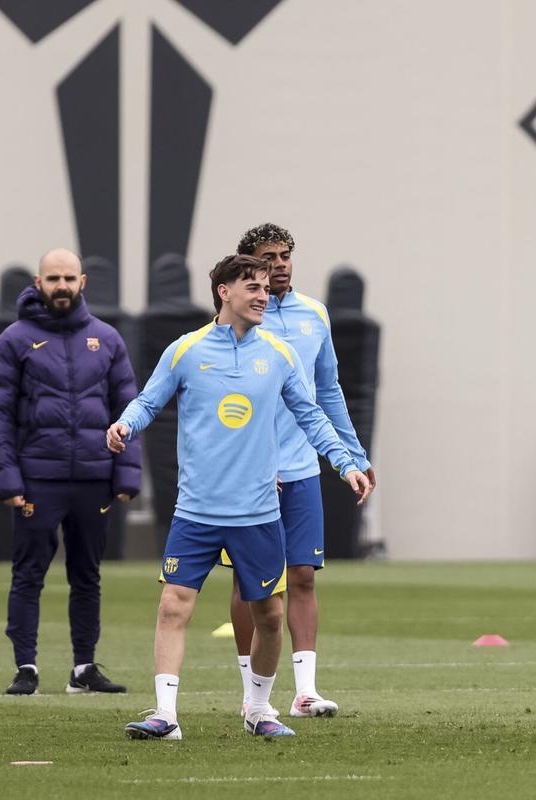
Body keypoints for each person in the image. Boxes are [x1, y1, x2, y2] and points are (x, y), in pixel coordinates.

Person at [108, 254, 372, 740]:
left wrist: (346, 463)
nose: (262, 295)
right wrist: (125, 424)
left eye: (266, 289)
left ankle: (257, 709)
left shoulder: (278, 354)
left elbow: (312, 416)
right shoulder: (186, 350)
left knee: (270, 615)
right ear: (223, 292)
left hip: (258, 514)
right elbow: (149, 400)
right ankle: (165, 715)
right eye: (252, 286)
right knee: (173, 604)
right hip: (196, 511)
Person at [222, 223, 374, 719]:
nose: (281, 264)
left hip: (303, 466)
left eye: (286, 255)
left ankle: (305, 691)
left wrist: (352, 456)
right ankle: (252, 692)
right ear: (249, 264)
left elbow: (327, 392)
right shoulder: (238, 321)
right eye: (270, 257)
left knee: (303, 576)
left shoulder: (315, 314)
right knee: (251, 583)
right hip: (252, 473)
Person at [0, 248, 139, 696]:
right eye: (53, 279)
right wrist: (8, 479)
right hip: (37, 479)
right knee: (29, 573)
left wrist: (126, 475)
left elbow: (127, 410)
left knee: (87, 575)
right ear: (38, 283)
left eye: (69, 278)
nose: (62, 287)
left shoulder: (107, 339)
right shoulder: (13, 340)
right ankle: (26, 668)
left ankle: (83, 669)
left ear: (83, 282)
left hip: (93, 478)